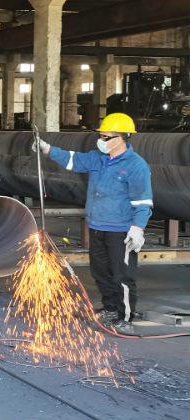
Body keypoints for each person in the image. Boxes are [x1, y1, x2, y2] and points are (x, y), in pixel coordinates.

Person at [33, 113, 152, 334]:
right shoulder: (98, 158)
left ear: (122, 138)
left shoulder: (136, 166)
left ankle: (125, 317)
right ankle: (109, 308)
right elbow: (73, 159)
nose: (101, 140)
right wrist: (48, 149)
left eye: (106, 137)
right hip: (97, 226)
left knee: (122, 276)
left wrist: (138, 229)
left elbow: (143, 202)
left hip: (120, 231)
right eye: (101, 136)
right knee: (100, 272)